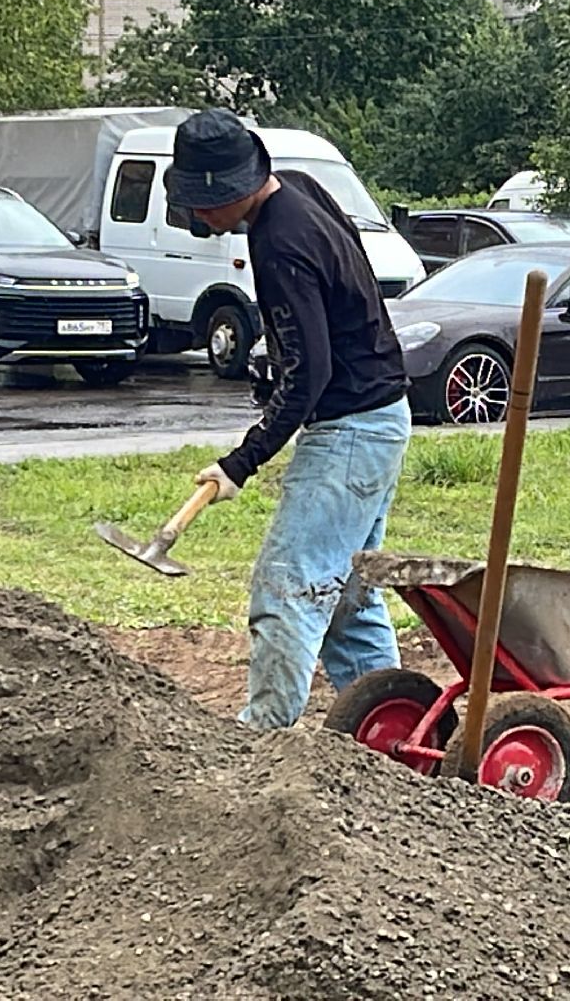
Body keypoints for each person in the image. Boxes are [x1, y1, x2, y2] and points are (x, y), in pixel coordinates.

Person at [164, 109, 412, 728]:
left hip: (351, 427)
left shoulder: (280, 243)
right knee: (349, 602)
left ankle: (261, 742)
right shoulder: (299, 188)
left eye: (203, 202)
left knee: (287, 588)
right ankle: (394, 733)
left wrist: (240, 462)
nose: (197, 215)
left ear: (235, 188)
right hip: (381, 414)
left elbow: (312, 376)